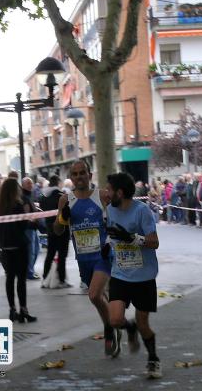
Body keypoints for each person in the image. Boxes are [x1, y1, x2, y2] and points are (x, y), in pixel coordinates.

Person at [53, 160, 117, 356]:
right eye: (75, 174)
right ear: (71, 178)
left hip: (103, 254)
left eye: (83, 173)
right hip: (83, 258)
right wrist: (62, 217)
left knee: (94, 295)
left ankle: (109, 330)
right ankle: (113, 324)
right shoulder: (65, 200)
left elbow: (118, 218)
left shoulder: (103, 195)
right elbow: (57, 231)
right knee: (100, 297)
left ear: (90, 174)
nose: (79, 176)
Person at [105, 172, 162, 379]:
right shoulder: (110, 209)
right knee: (115, 319)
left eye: (109, 190)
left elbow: (154, 242)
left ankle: (153, 359)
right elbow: (111, 235)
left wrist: (132, 238)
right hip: (120, 274)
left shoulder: (142, 211)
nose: (107, 193)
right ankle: (130, 329)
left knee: (144, 325)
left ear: (120, 192)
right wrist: (107, 246)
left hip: (144, 277)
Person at [0, 178, 37, 323]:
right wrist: (31, 220)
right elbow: (22, 226)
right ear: (14, 190)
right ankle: (23, 310)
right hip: (19, 247)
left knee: (10, 278)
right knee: (21, 280)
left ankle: (12, 309)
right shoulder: (18, 205)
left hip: (6, 248)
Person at [39, 175, 71, 288]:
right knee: (62, 254)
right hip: (62, 228)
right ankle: (61, 280)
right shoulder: (60, 195)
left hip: (49, 228)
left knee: (50, 254)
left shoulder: (43, 196)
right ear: (58, 182)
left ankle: (45, 277)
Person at [22, 177, 42, 280]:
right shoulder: (24, 196)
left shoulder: (29, 194)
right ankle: (29, 272)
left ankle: (30, 270)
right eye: (28, 183)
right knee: (31, 251)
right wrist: (33, 217)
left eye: (31, 183)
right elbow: (26, 214)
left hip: (33, 228)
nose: (31, 185)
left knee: (36, 249)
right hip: (28, 228)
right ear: (23, 185)